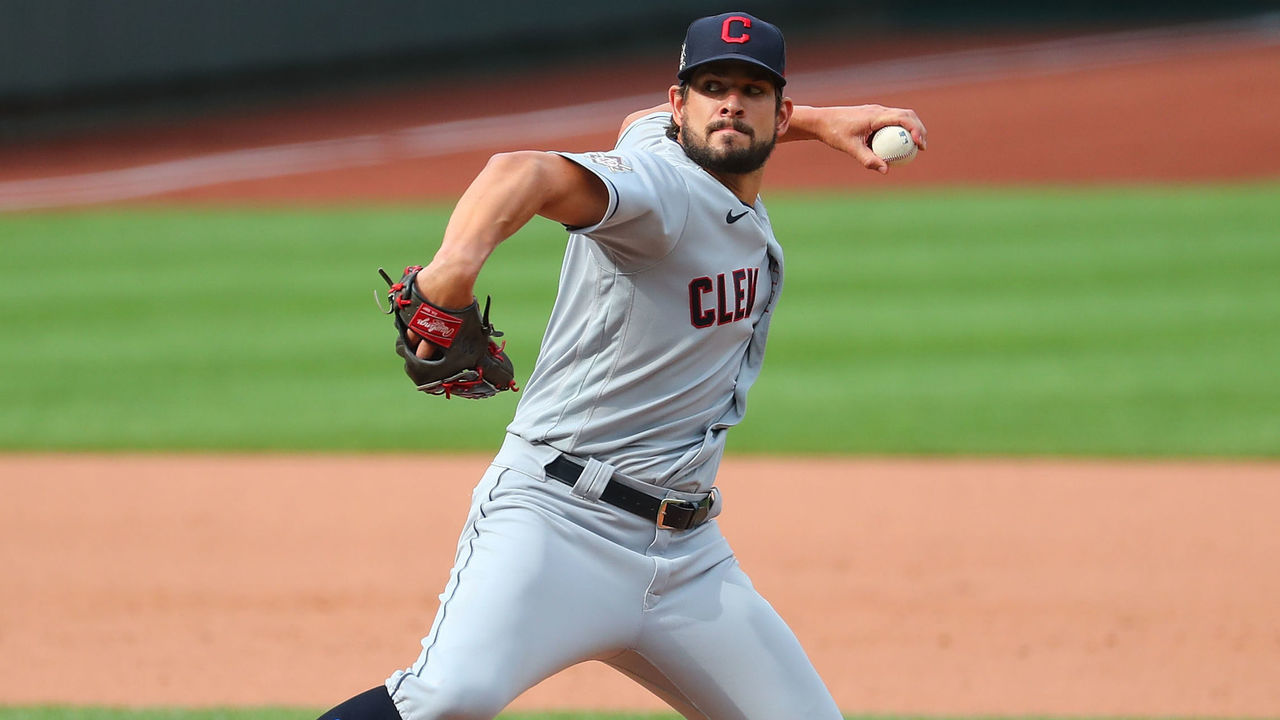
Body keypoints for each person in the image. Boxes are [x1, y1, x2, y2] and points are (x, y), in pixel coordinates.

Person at [319, 11, 926, 720]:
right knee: (449, 699)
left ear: (778, 109)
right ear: (681, 106)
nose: (729, 103)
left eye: (751, 91)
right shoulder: (661, 196)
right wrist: (452, 274)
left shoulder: (661, 138)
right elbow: (518, 172)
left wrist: (821, 123)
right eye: (710, 87)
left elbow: (661, 121)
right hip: (559, 526)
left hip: (688, 561)